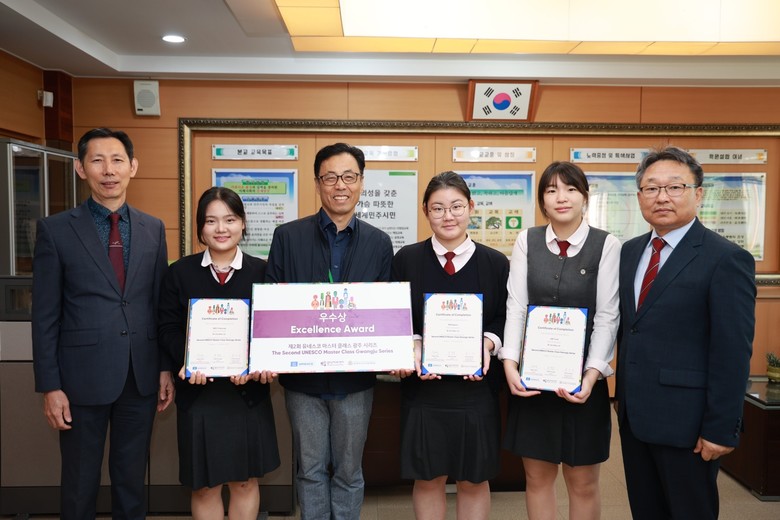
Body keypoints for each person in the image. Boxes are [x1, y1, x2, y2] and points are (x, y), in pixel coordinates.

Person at [32, 128, 174, 519]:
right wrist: (50, 386)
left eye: (117, 160)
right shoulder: (55, 230)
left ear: (133, 167)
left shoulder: (153, 228)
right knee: (80, 483)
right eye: (97, 161)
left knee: (132, 481)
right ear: (81, 169)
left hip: (139, 374)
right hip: (79, 379)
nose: (108, 170)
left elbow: (158, 304)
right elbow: (44, 315)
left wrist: (164, 366)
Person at [616, 146, 755, 519]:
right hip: (635, 418)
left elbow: (733, 351)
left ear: (698, 193)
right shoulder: (630, 252)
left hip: (688, 425)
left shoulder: (725, 258)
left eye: (674, 187)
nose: (661, 197)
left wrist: (721, 428)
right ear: (640, 196)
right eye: (651, 188)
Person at [264, 142, 394, 520]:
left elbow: (385, 311)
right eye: (331, 177)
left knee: (349, 472)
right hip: (302, 380)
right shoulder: (288, 237)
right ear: (318, 183)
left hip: (355, 381)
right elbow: (272, 301)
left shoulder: (379, 242)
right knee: (310, 470)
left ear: (361, 182)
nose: (340, 185)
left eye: (349, 177)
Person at [501, 161, 620, 520]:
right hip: (533, 383)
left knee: (582, 482)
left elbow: (607, 315)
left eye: (570, 189)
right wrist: (510, 363)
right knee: (537, 479)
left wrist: (592, 376)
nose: (561, 197)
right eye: (551, 190)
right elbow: (516, 306)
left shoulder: (606, 244)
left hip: (583, 383)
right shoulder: (527, 240)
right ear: (542, 200)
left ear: (585, 196)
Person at [391, 171, 509, 520]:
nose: (448, 216)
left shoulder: (495, 263)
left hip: (476, 391)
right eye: (438, 208)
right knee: (428, 478)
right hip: (424, 391)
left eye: (456, 206)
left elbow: (505, 318)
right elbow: (396, 317)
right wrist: (414, 344)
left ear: (471, 207)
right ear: (425, 211)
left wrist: (487, 343)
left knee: (474, 479)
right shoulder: (406, 260)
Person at [157, 187, 280, 519]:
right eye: (211, 221)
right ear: (200, 227)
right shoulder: (180, 272)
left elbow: (272, 329)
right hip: (198, 394)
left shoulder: (263, 272)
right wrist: (186, 360)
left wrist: (259, 363)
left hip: (247, 394)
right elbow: (167, 328)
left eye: (230, 219)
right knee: (204, 486)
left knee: (245, 482)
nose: (221, 228)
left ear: (243, 224)